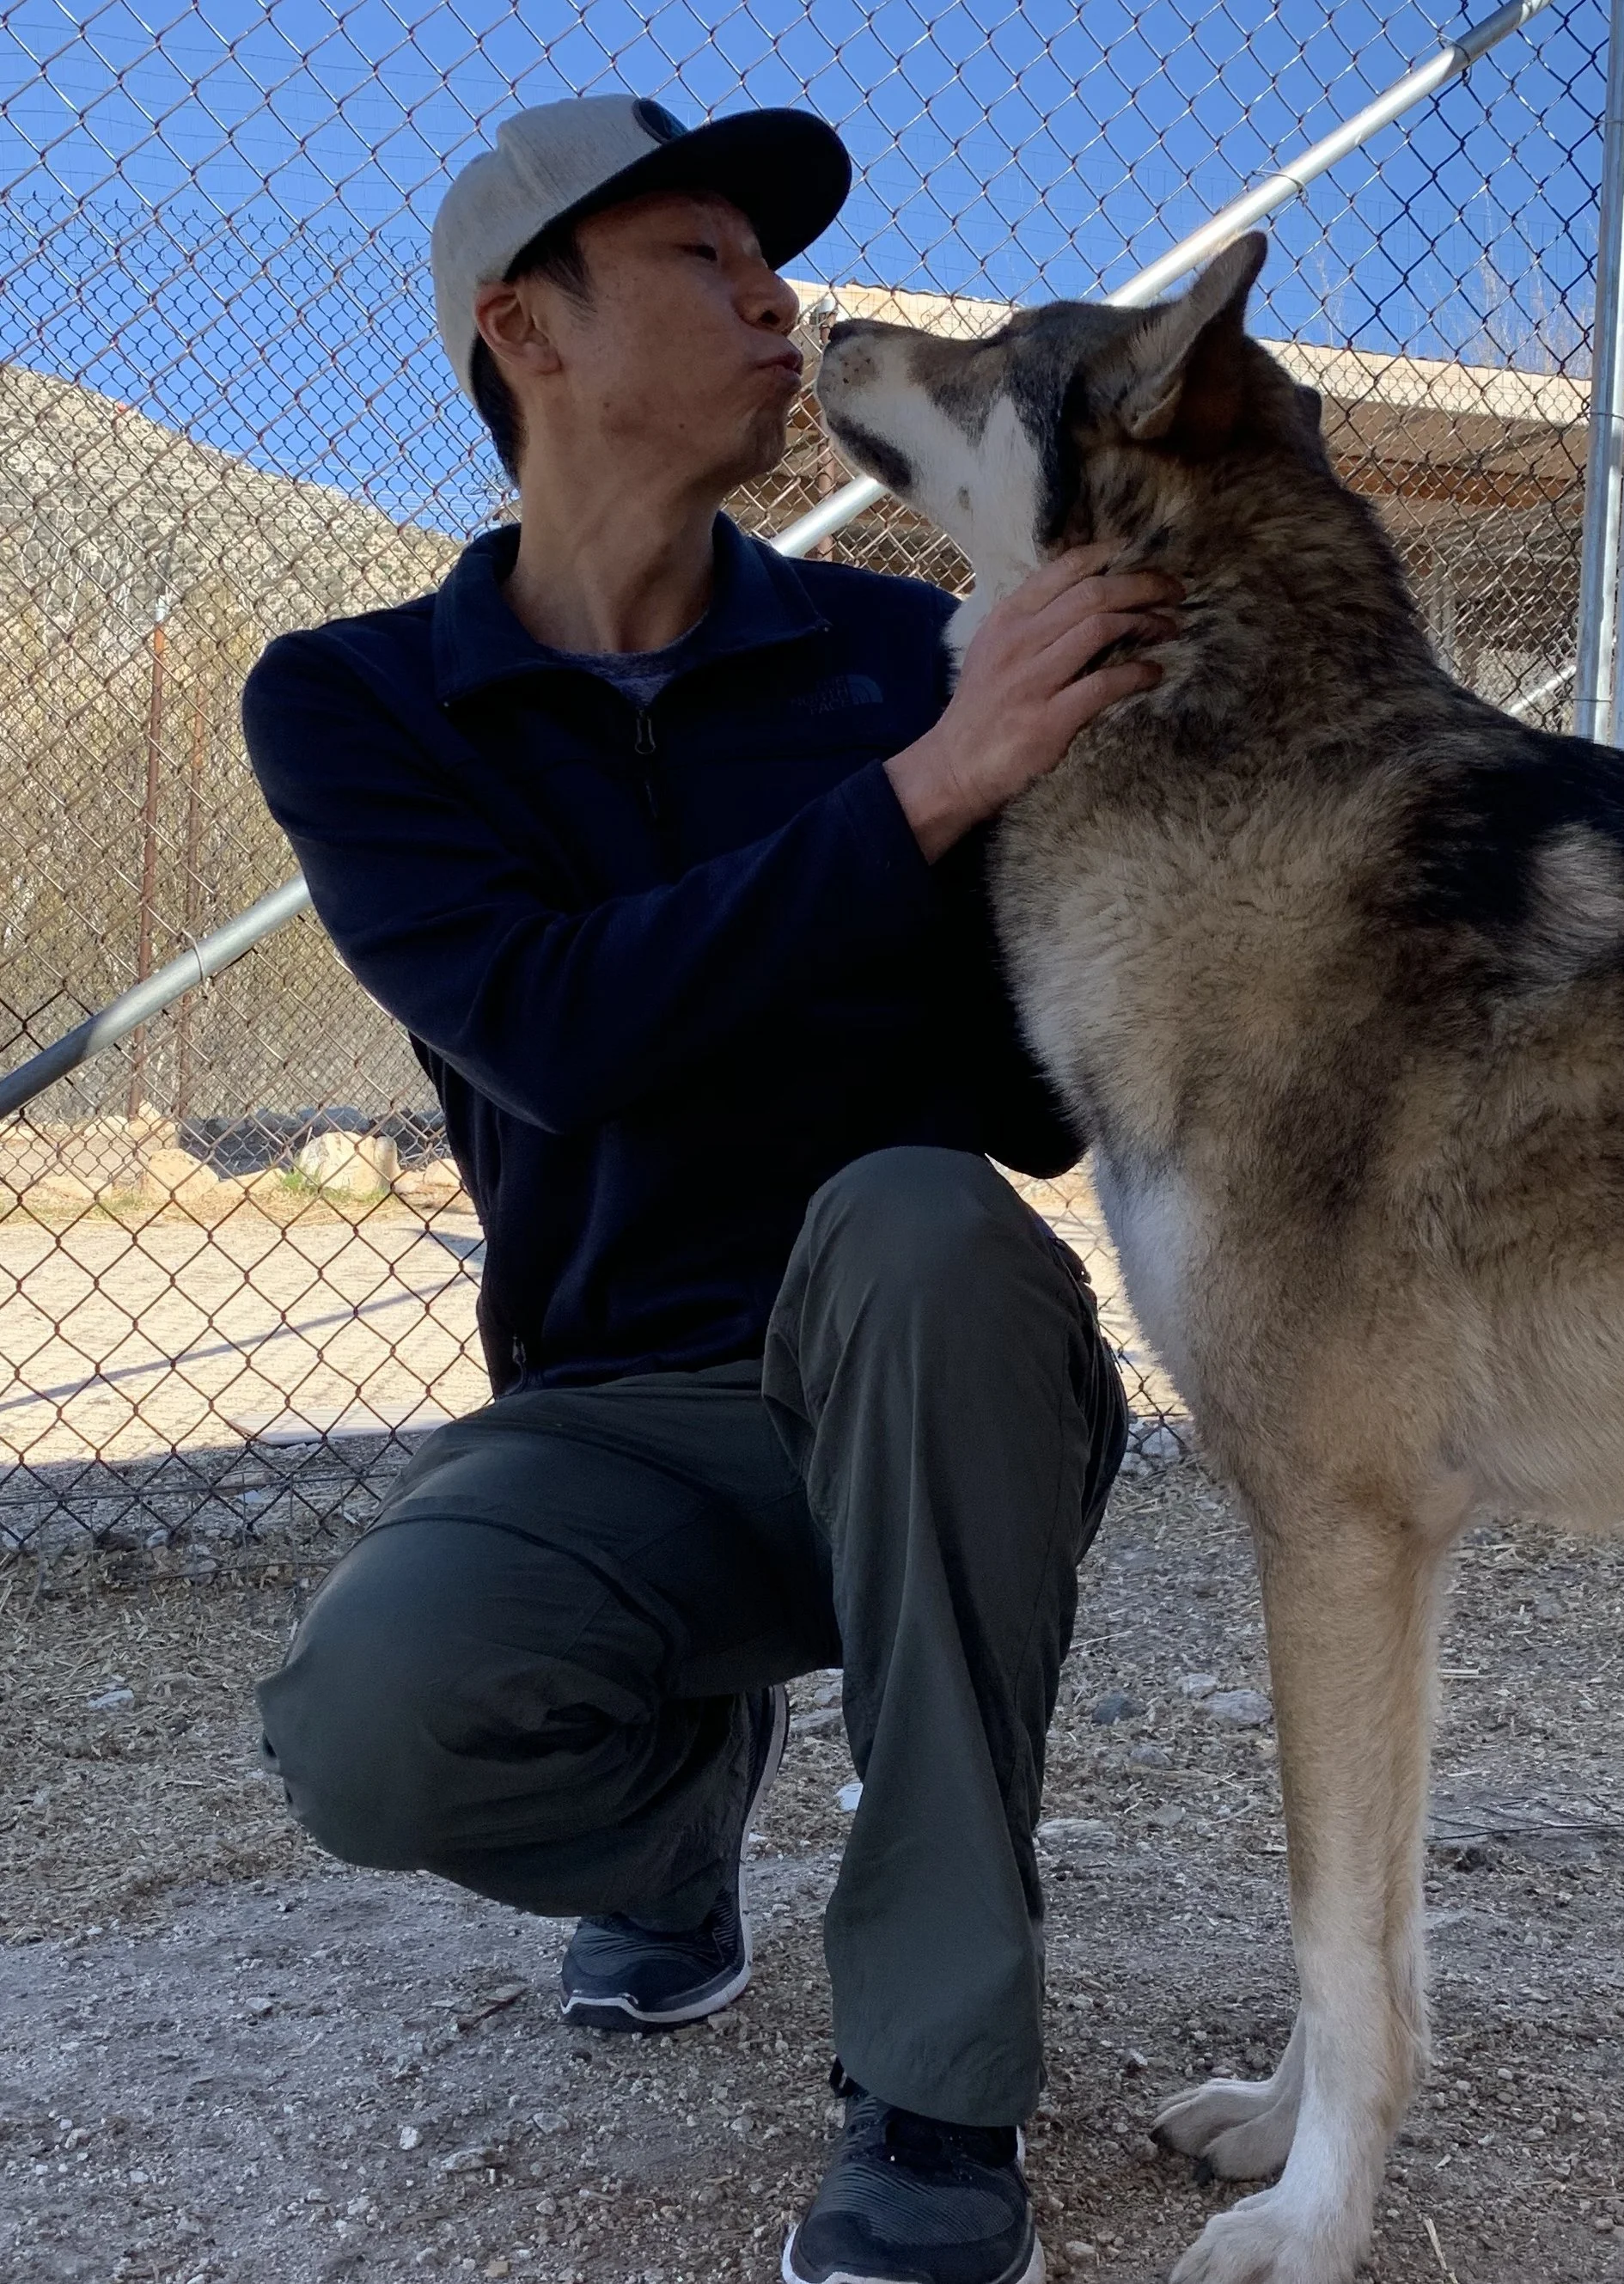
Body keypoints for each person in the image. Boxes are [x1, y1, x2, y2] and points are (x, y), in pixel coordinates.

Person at [241, 92, 1177, 2284]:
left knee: (923, 1222)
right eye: (698, 259)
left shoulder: (893, 652)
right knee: (367, 1735)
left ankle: (937, 2104)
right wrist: (927, 800)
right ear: (524, 331)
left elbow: (1028, 1110)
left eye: (772, 261)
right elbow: (550, 1033)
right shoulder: (363, 704)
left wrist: (1045, 797)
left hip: (922, 1378)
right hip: (614, 1413)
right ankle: (677, 1823)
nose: (778, 301)